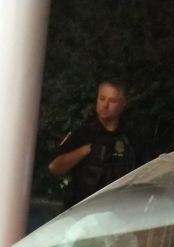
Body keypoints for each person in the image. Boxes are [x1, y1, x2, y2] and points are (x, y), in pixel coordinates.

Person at [49, 80, 139, 209]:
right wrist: (84, 151)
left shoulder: (131, 138)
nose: (105, 105)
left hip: (117, 211)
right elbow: (55, 167)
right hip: (81, 210)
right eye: (102, 98)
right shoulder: (83, 133)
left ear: (123, 104)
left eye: (112, 101)